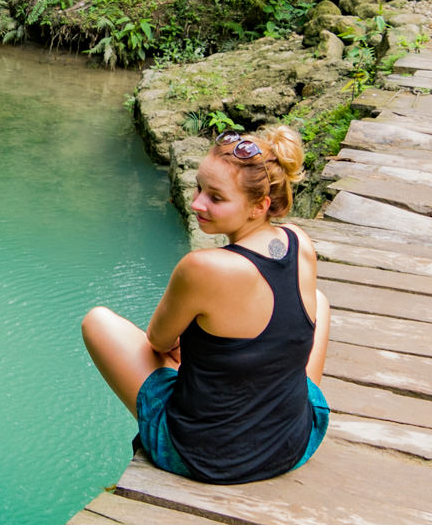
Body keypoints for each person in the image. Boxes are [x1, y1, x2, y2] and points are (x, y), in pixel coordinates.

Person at [81, 126, 331, 484]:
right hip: (293, 443)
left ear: (259, 205)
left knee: (98, 321)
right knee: (317, 302)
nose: (197, 203)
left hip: (205, 456)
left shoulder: (202, 267)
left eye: (216, 197)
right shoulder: (299, 240)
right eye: (199, 187)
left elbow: (158, 342)